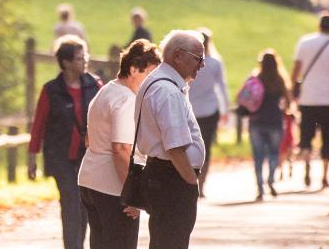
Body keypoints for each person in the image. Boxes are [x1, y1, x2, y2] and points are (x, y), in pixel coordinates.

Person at [80, 40, 161, 249]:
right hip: (112, 188)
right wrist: (133, 196)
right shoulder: (127, 100)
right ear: (134, 69)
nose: (153, 81)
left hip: (90, 181)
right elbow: (121, 150)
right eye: (149, 74)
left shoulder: (106, 91)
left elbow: (89, 138)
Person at [132, 30, 208, 249]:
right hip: (171, 176)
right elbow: (175, 147)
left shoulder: (158, 82)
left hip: (164, 174)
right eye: (198, 58)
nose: (202, 65)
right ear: (178, 55)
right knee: (171, 241)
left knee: (165, 239)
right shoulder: (167, 90)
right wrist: (190, 181)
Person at [30, 36, 101, 249]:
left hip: (89, 157)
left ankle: (77, 244)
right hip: (62, 159)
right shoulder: (51, 90)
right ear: (66, 62)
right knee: (71, 204)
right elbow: (39, 125)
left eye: (85, 56)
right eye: (80, 58)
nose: (85, 60)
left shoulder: (95, 85)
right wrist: (32, 157)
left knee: (85, 206)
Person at [289, 14, 329, 189]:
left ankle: (307, 166)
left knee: (306, 135)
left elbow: (295, 72)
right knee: (327, 137)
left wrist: (292, 94)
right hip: (328, 100)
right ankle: (324, 175)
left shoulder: (304, 42)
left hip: (308, 99)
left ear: (318, 25)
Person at [241, 50, 290, 201]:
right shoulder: (280, 80)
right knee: (274, 154)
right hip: (275, 121)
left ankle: (260, 187)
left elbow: (244, 98)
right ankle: (271, 180)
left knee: (258, 156)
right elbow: (288, 102)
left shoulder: (255, 79)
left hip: (257, 121)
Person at [187, 29, 230, 196]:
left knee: (188, 146)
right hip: (210, 109)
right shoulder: (215, 62)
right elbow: (222, 86)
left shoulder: (188, 62)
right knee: (205, 147)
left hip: (191, 109)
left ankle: (191, 178)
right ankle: (201, 183)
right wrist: (225, 109)